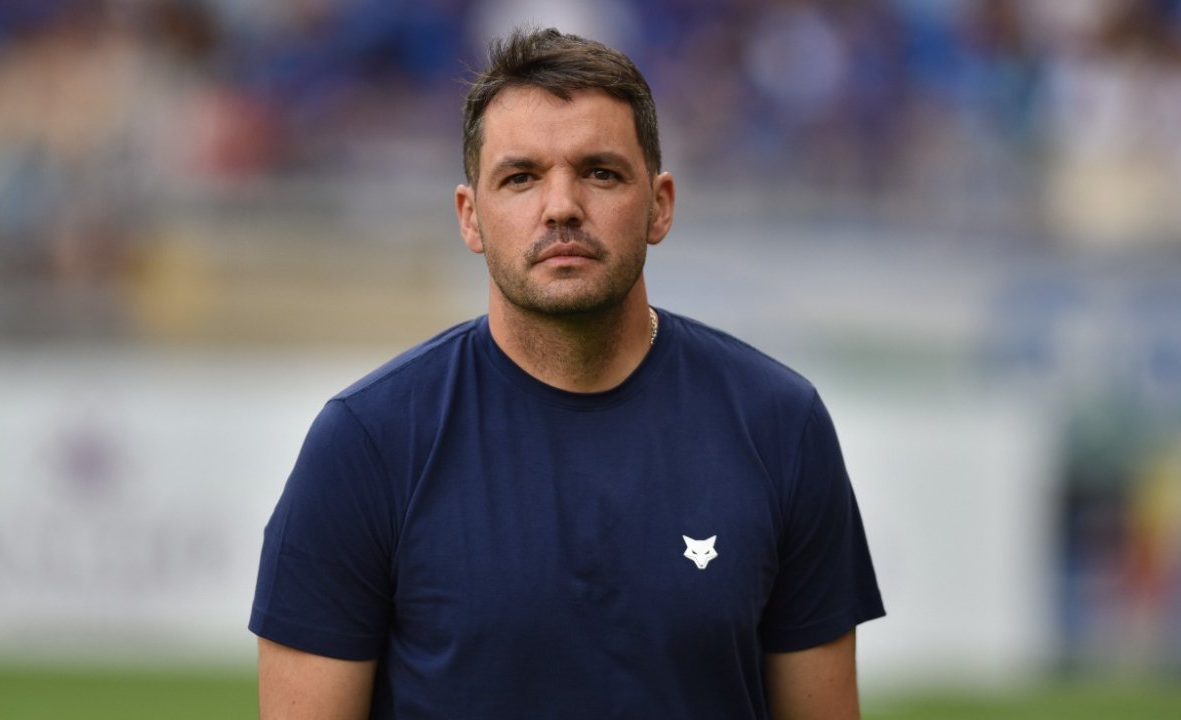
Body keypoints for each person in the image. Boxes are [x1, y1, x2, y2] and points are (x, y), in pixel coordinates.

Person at [250, 26, 885, 719]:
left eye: (600, 172)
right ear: (471, 217)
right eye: (520, 177)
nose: (561, 206)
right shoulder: (367, 443)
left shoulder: (778, 425)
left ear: (660, 205)